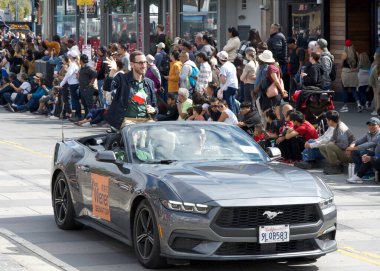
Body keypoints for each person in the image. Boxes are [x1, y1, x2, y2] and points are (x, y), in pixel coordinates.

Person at [105, 51, 157, 130]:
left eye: (145, 62)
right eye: (140, 63)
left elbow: (155, 106)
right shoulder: (122, 79)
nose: (143, 66)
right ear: (132, 64)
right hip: (128, 121)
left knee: (167, 136)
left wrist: (153, 110)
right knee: (134, 134)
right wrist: (112, 72)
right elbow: (107, 88)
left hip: (146, 120)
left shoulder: (149, 83)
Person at [319, 110, 355, 174]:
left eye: (327, 120)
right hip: (343, 151)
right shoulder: (336, 125)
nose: (326, 122)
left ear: (331, 121)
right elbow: (332, 139)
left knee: (329, 146)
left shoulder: (341, 128)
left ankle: (335, 167)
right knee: (322, 146)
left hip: (350, 155)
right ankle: (336, 163)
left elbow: (344, 145)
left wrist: (334, 143)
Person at [339, 40, 360, 113]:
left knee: (345, 90)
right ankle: (358, 103)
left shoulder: (344, 54)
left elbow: (341, 65)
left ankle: (345, 106)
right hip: (354, 73)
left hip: (345, 73)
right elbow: (358, 65)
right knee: (354, 90)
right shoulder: (356, 53)